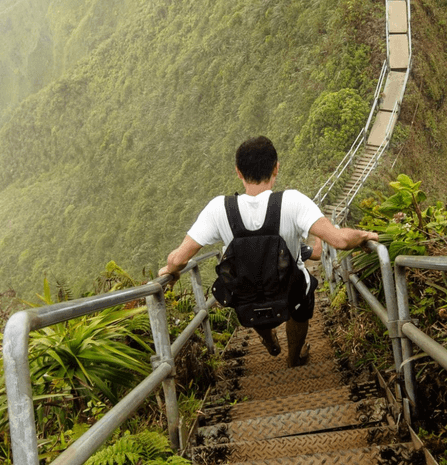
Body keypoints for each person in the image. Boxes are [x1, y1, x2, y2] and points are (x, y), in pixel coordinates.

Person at [158, 136, 379, 367]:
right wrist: (364, 235)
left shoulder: (218, 209)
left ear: (238, 172)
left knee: (250, 294)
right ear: (276, 168)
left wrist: (172, 272)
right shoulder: (293, 202)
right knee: (302, 297)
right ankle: (293, 358)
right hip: (288, 289)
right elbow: (340, 240)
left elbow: (178, 258)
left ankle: (269, 339)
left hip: (246, 293)